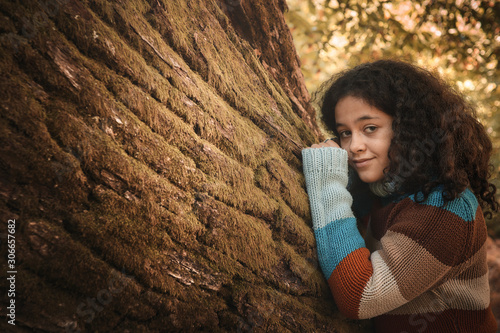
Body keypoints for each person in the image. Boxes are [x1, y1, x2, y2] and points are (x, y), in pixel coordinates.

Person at [302, 59, 499, 332]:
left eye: (370, 128)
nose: (353, 146)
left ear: (410, 129)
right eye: (344, 133)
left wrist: (326, 181)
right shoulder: (380, 192)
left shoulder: (446, 206)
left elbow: (359, 296)